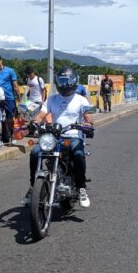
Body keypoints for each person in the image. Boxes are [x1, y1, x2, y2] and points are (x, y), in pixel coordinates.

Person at [25, 67, 94, 207]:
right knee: (35, 152)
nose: (66, 85)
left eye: (68, 81)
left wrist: (87, 124)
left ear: (75, 81)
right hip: (54, 136)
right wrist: (35, 122)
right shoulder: (51, 99)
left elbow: (89, 117)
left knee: (79, 154)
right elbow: (41, 114)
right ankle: (33, 187)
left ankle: (81, 188)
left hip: (73, 136)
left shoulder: (81, 100)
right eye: (62, 81)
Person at [0, 53, 21, 145]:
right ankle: (2, 138)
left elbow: (15, 86)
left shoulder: (10, 71)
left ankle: (13, 136)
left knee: (10, 118)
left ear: (1, 61)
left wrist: (19, 98)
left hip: (9, 99)